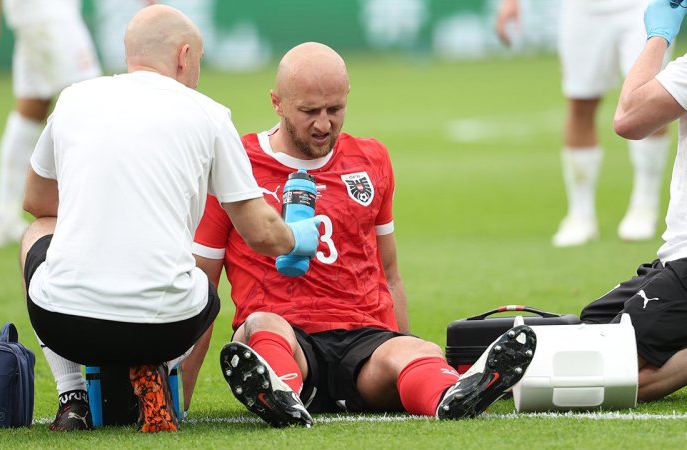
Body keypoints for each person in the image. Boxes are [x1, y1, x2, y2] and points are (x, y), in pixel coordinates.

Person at [191, 42, 537, 426]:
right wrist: (181, 398)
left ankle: (451, 394)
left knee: (418, 351)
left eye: (334, 109)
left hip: (363, 343)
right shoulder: (236, 164)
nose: (324, 124)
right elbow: (202, 285)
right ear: (277, 103)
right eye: (309, 111)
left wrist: (402, 344)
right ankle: (282, 395)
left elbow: (390, 273)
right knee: (259, 326)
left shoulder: (371, 160)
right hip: (286, 336)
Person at [18, 5, 322, 433]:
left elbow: (36, 201)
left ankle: (73, 398)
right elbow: (259, 232)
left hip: (64, 325)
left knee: (36, 232)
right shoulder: (208, 113)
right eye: (199, 59)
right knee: (201, 281)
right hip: (165, 329)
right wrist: (298, 237)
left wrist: (100, 212)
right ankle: (154, 369)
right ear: (184, 56)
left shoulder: (73, 99)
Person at [496, 0, 672, 247]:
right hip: (583, 8)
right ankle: (580, 215)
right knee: (580, 102)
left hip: (642, 5)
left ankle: (644, 205)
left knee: (649, 99)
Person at [581, 0, 687, 403]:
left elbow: (629, 118)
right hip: (676, 257)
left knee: (605, 371)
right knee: (592, 326)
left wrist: (658, 36)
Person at [0, 0, 101, 247]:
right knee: (89, 104)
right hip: (48, 16)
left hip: (41, 17)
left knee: (32, 109)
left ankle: (5, 217)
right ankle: (90, 214)